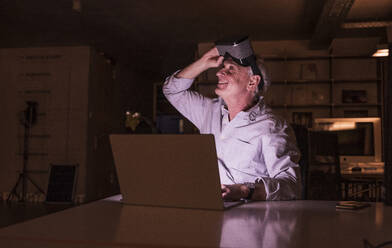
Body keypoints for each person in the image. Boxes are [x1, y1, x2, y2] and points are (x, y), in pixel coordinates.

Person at [162, 45, 301, 201]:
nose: (219, 72)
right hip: (209, 207)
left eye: (231, 69)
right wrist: (203, 63)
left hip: (250, 216)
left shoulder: (271, 125)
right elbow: (172, 91)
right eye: (223, 67)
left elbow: (291, 185)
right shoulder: (208, 111)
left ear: (252, 82)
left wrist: (244, 190)